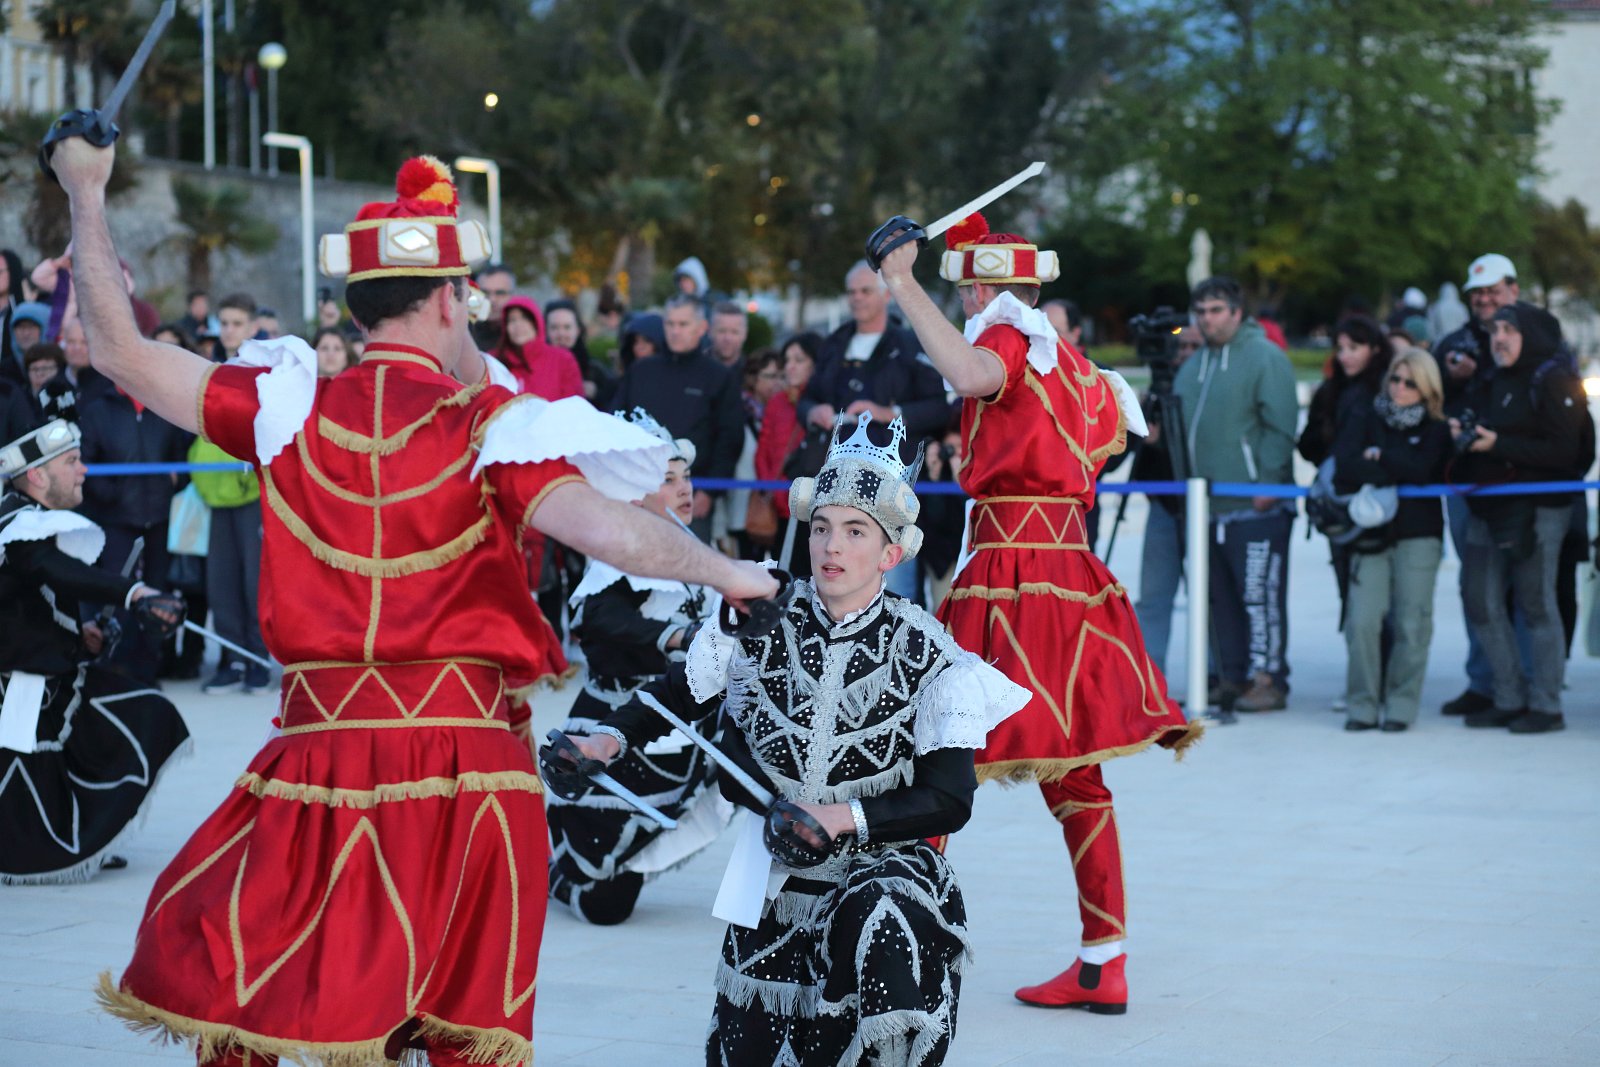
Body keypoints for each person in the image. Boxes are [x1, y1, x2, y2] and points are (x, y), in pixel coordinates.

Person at [51, 143, 777, 1066]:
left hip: (318, 757)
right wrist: (732, 574)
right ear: (447, 299)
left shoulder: (288, 407)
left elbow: (115, 347)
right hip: (467, 768)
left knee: (258, 1001)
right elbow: (616, 534)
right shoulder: (492, 426)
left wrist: (86, 187)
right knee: (458, 1030)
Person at [548, 413, 1031, 1064]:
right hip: (777, 877)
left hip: (877, 869)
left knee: (879, 943)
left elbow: (950, 797)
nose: (831, 546)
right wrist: (608, 738)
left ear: (891, 551)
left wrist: (841, 816)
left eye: (855, 530)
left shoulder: (928, 653)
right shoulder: (766, 619)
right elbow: (678, 690)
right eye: (823, 526)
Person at [873, 212, 1200, 1012]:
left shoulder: (1013, 341)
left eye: (969, 289)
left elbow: (971, 370)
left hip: (1011, 573)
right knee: (1074, 772)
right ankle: (1102, 958)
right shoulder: (1082, 369)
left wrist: (903, 282)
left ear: (985, 289)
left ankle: (891, 947)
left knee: (941, 753)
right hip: (1069, 571)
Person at [547, 410, 729, 925]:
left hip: (683, 728)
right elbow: (595, 617)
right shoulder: (623, 552)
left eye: (685, 476)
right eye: (666, 479)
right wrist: (671, 636)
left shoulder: (689, 550)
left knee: (764, 763)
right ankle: (560, 869)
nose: (683, 488)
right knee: (606, 905)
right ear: (632, 492)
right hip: (623, 730)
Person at [0, 419, 190, 883]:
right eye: (71, 462)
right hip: (24, 686)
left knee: (141, 717)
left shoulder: (24, 521)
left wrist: (79, 629)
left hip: (51, 673)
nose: (84, 470)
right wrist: (135, 594)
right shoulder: (17, 527)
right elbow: (53, 570)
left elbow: (39, 595)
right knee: (32, 789)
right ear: (38, 477)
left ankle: (86, 842)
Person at [1453, 303, 1592, 735]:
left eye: (1509, 330)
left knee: (1535, 603)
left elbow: (1568, 454)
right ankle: (1508, 696)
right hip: (1488, 504)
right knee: (1481, 598)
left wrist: (1499, 446)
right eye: (1495, 329)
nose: (1499, 338)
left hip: (1540, 509)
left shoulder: (1553, 379)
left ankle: (1546, 704)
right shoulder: (1493, 378)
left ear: (1530, 334)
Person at [1173, 276, 1299, 712]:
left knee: (1258, 597)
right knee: (1216, 601)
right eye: (1201, 311)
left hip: (1253, 507)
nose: (1207, 320)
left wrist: (1269, 480)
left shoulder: (1265, 357)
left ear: (1236, 312)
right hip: (1206, 509)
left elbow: (1281, 424)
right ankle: (1232, 676)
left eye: (1215, 310)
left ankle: (1269, 678)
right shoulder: (1193, 365)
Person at [1333, 349, 1451, 731]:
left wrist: (1381, 457)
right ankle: (1362, 704)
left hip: (1420, 534)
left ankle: (1402, 702)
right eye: (1395, 380)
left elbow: (1425, 470)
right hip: (1370, 535)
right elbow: (1346, 466)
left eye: (1410, 383)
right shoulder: (1365, 413)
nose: (1399, 388)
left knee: (1412, 623)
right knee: (1362, 620)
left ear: (1427, 388)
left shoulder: (1435, 427)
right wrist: (1395, 465)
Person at [1432, 254, 1526, 718]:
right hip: (1466, 483)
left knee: (1523, 589)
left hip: (1521, 482)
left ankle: (1525, 683)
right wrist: (1450, 380)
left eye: (1493, 290)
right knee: (1476, 586)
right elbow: (1426, 397)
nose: (1485, 299)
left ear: (1513, 288)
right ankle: (1484, 680)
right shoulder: (1454, 342)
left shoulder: (1535, 333)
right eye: (1478, 293)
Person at [76, 365, 194, 687]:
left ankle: (146, 669)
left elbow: (182, 458)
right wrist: (110, 494)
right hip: (117, 519)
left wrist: (175, 482)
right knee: (121, 593)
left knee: (156, 593)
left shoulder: (164, 409)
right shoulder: (98, 410)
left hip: (158, 516)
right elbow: (85, 462)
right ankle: (116, 668)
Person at [612, 295, 744, 541]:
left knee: (690, 569)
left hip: (692, 495)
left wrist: (710, 492)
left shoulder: (718, 376)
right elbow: (617, 422)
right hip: (641, 494)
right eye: (670, 324)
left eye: (683, 324)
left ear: (701, 327)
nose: (675, 331)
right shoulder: (641, 370)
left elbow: (730, 438)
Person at [1299, 315, 1393, 628]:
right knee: (1350, 597)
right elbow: (1307, 445)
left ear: (1375, 349)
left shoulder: (1388, 390)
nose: (1346, 355)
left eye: (1354, 347)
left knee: (1379, 605)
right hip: (1338, 505)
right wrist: (1331, 456)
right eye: (1341, 348)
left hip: (1377, 506)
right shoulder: (1332, 391)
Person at [1131, 323, 1202, 676]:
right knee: (1153, 597)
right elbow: (1130, 458)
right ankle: (1150, 678)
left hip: (1203, 510)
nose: (1185, 353)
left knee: (1209, 598)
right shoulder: (1159, 395)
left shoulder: (1205, 388)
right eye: (1181, 346)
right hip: (1163, 504)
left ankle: (1216, 676)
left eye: (1193, 346)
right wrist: (1146, 434)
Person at [494, 296, 583, 401]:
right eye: (512, 320)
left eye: (525, 318)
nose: (518, 325)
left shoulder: (562, 359)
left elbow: (574, 405)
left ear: (537, 322)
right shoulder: (494, 361)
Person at [544, 297, 614, 407]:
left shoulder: (596, 371)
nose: (561, 334)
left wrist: (596, 394)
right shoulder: (534, 368)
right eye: (554, 327)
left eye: (567, 327)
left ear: (578, 330)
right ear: (545, 331)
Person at [470, 263, 516, 350]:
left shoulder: (527, 336)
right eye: (485, 292)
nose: (492, 299)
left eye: (500, 293)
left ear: (513, 295)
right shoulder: (463, 334)